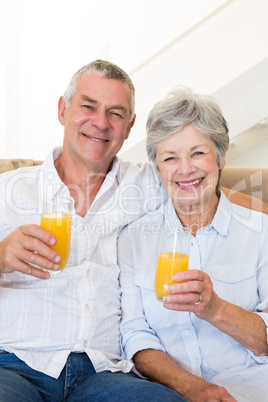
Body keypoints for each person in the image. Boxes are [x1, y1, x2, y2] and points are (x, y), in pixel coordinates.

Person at [0, 60, 186, 402]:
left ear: (129, 127)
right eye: (88, 106)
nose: (100, 123)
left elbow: (209, 193)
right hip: (14, 365)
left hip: (105, 374)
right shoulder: (8, 189)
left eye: (115, 113)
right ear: (63, 110)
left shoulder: (147, 184)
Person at [118, 86, 268, 402]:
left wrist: (215, 309)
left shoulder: (260, 230)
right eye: (170, 157)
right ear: (158, 168)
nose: (185, 169)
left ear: (222, 156)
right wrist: (191, 388)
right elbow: (135, 335)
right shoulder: (133, 237)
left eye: (198, 153)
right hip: (171, 393)